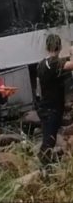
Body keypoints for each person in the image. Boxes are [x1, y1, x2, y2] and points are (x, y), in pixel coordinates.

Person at [36, 34, 73, 166]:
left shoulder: (41, 64)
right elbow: (71, 65)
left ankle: (45, 165)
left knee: (48, 137)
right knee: (49, 140)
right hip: (52, 109)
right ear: (60, 46)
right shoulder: (54, 63)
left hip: (44, 107)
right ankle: (44, 167)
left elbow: (38, 88)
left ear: (47, 47)